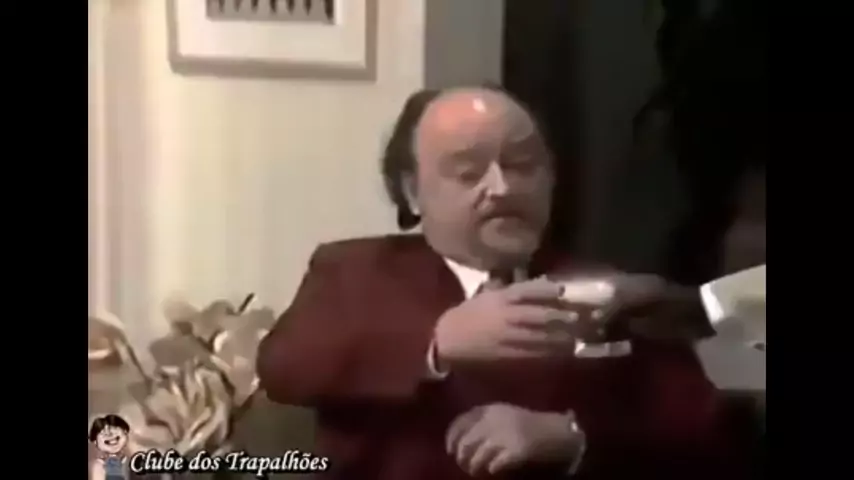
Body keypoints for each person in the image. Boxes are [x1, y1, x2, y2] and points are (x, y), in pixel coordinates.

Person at [257, 86, 749, 479]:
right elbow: (284, 366)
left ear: (551, 179)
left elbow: (704, 428)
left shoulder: (609, 290)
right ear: (412, 191)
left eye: (522, 165)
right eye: (468, 171)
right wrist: (436, 342)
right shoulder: (353, 269)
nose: (502, 187)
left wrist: (573, 436)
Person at [89, 414, 130, 480]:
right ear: (95, 441)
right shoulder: (99, 465)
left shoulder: (130, 461)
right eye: (103, 433)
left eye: (115, 429)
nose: (110, 435)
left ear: (125, 432)